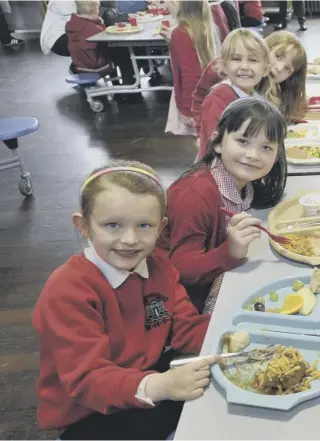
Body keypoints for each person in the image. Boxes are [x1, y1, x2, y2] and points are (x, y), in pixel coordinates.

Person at [33, 160, 213, 440]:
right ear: (83, 226)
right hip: (88, 411)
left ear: (160, 227)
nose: (129, 239)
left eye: (144, 225)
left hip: (144, 378)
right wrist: (160, 386)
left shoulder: (160, 268)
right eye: (113, 225)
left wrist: (237, 333)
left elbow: (187, 329)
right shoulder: (67, 289)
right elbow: (87, 381)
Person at [156, 97, 287, 314]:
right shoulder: (194, 195)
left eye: (266, 147)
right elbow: (181, 269)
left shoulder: (243, 183)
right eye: (243, 141)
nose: (253, 155)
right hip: (179, 304)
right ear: (217, 142)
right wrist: (231, 252)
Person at [192, 30, 307, 135]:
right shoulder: (221, 69)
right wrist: (198, 132)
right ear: (266, 48)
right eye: (277, 56)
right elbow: (200, 95)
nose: (279, 67)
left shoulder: (269, 91)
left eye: (287, 69)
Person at [198, 28, 279, 158]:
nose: (244, 67)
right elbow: (214, 146)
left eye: (253, 60)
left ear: (265, 69)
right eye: (236, 59)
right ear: (224, 66)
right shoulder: (217, 99)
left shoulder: (253, 97)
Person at [165, 0, 221, 137]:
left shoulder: (181, 33)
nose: (165, 6)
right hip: (208, 92)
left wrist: (188, 109)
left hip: (192, 97)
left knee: (199, 139)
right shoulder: (208, 27)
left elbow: (189, 74)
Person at [66, 0, 135, 83]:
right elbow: (107, 38)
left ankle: (119, 85)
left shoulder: (72, 24)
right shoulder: (93, 28)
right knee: (125, 53)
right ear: (96, 10)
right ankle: (130, 87)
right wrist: (100, 23)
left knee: (113, 52)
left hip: (81, 66)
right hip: (98, 67)